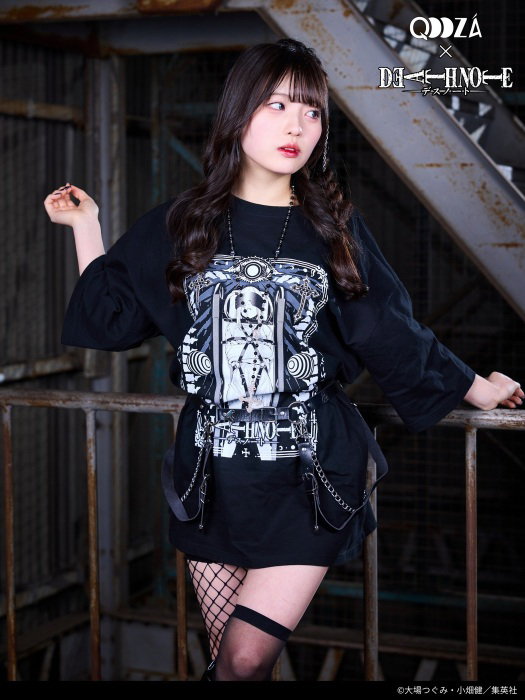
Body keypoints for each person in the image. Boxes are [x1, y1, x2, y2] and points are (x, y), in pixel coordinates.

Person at [43, 38, 522, 683]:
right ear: (238, 112)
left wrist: (473, 387)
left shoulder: (333, 228)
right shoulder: (183, 223)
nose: (297, 126)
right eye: (276, 105)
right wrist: (88, 228)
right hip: (212, 477)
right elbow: (112, 313)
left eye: (311, 110)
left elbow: (387, 328)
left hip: (308, 476)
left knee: (243, 660)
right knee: (234, 666)